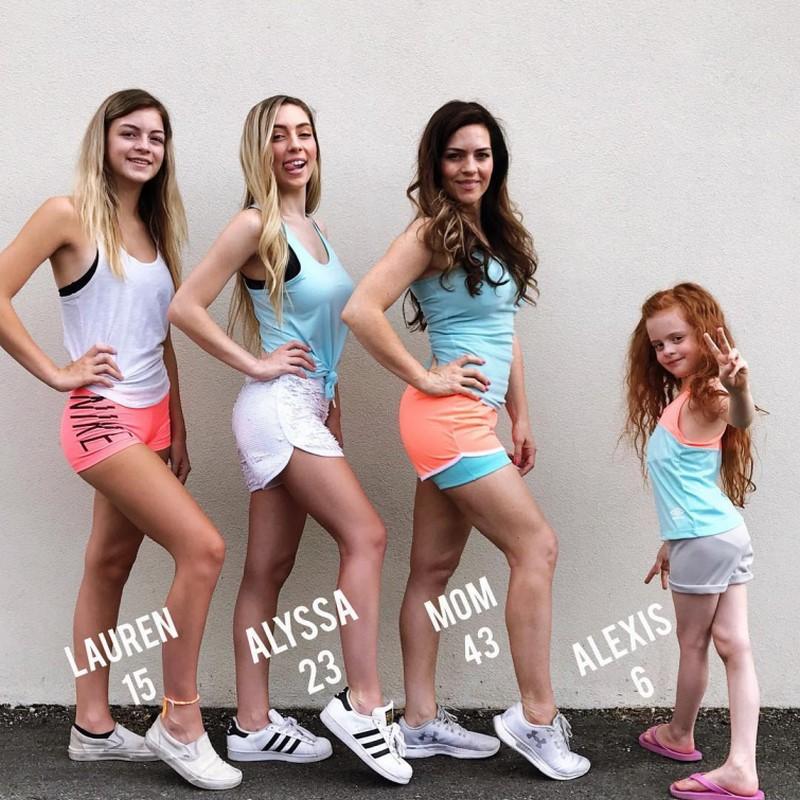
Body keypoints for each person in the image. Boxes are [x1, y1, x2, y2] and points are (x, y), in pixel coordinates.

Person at [342, 100, 590, 780]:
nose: (470, 166)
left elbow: (503, 333)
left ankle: (419, 722)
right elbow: (361, 309)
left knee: (432, 571)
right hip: (446, 421)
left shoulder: (491, 230)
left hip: (473, 420)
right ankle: (536, 718)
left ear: (495, 162)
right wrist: (425, 374)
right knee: (536, 547)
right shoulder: (430, 231)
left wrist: (520, 415)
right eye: (456, 155)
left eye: (481, 154)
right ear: (436, 163)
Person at [0, 89, 241, 790]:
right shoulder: (67, 215)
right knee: (204, 548)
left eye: (156, 137)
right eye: (130, 133)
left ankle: (92, 727)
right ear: (102, 140)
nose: (144, 146)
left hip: (154, 419)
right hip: (100, 418)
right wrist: (56, 372)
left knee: (108, 563)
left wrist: (179, 427)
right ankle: (181, 721)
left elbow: (159, 339)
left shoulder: (155, 230)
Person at [168, 94, 412, 785]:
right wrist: (253, 362)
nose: (295, 145)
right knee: (367, 536)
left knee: (268, 569)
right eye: (279, 135)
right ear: (261, 150)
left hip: (307, 407)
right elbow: (185, 306)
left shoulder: (316, 228)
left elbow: (326, 334)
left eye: (304, 132)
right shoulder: (256, 224)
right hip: (277, 408)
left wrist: (333, 404)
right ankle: (363, 704)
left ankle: (251, 725)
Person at [627, 283, 763, 800]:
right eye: (658, 344)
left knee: (693, 644)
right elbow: (687, 486)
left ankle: (679, 735)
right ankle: (741, 766)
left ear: (705, 333)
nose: (667, 351)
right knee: (734, 645)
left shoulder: (709, 392)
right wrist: (670, 543)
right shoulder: (687, 396)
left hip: (704, 541)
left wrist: (739, 387)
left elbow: (739, 415)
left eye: (677, 338)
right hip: (723, 535)